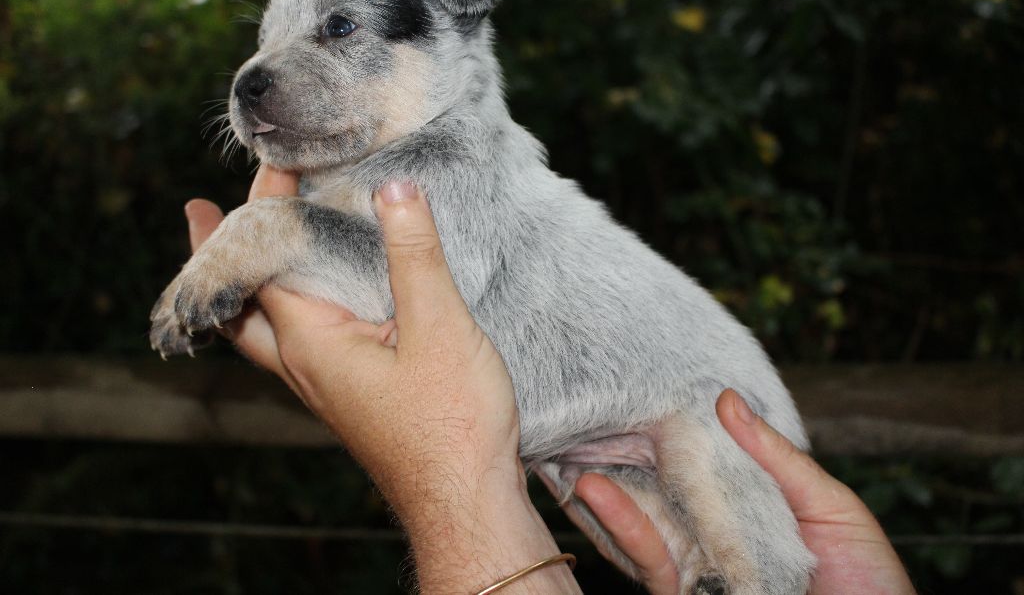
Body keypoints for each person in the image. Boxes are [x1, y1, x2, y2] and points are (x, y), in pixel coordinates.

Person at [181, 164, 917, 594]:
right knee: (696, 567)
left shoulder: (461, 161)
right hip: (599, 436)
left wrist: (445, 477)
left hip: (680, 402)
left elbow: (395, 283)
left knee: (742, 568)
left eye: (340, 30)